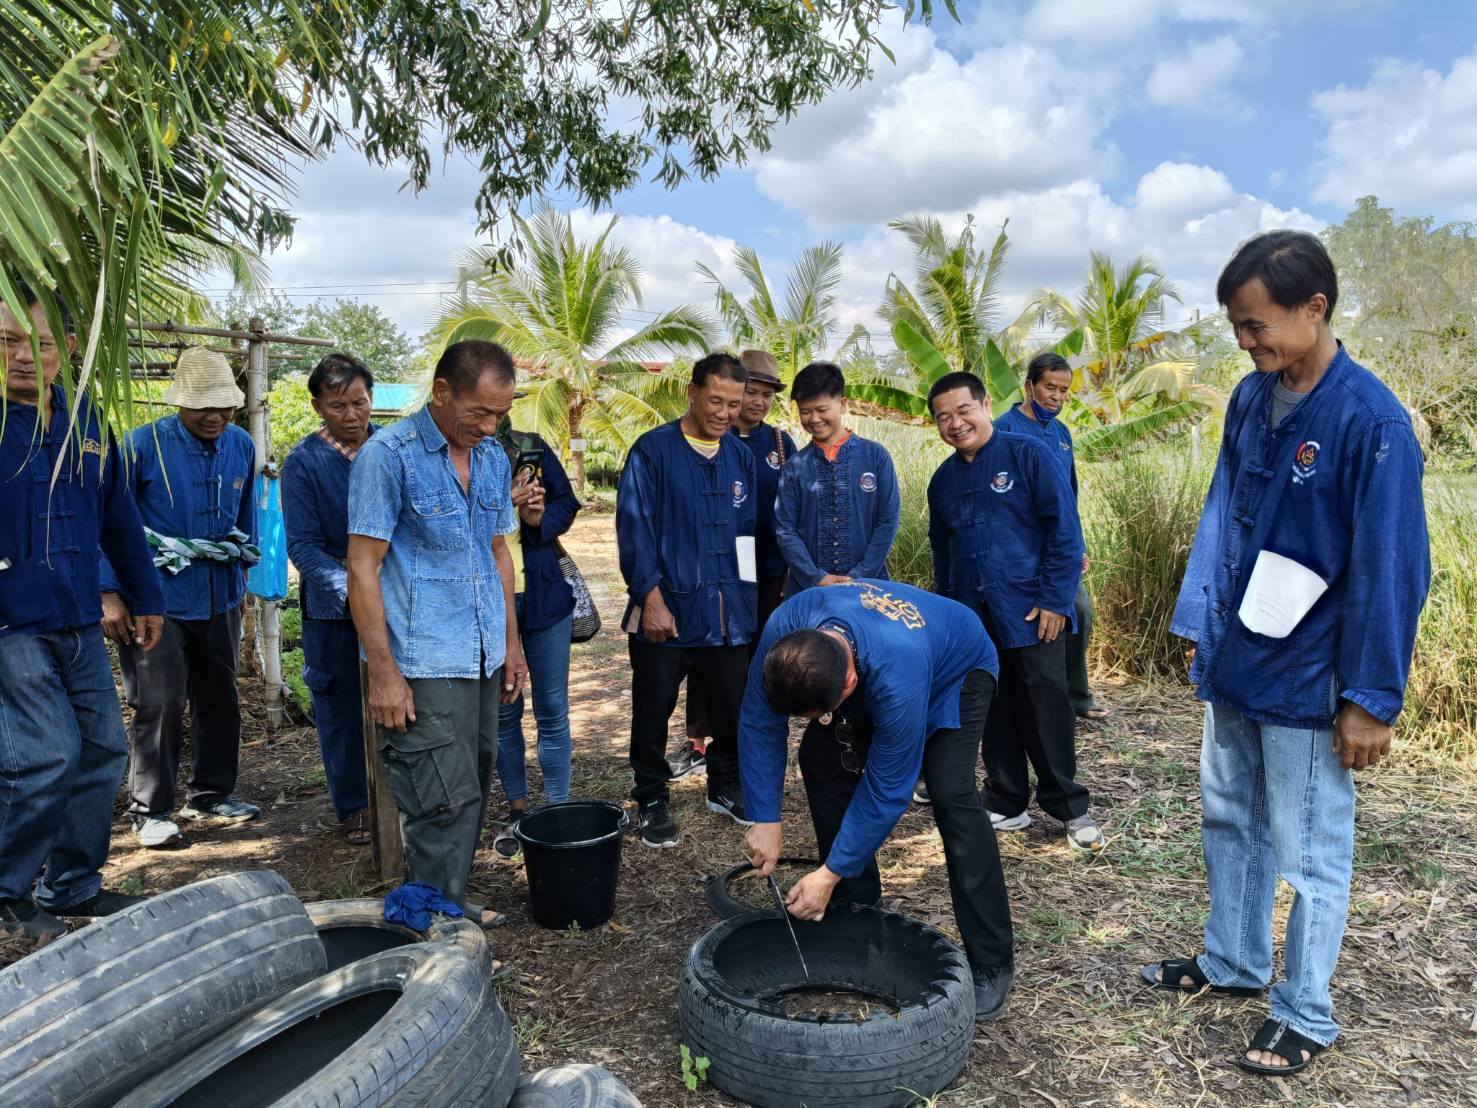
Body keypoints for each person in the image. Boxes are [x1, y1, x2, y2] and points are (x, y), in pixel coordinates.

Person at [1145, 231, 1430, 1077]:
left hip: (1308, 675)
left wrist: (1371, 697)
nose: (1246, 341)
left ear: (1315, 309)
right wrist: (1198, 624)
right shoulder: (1248, 398)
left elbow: (1392, 567)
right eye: (1237, 327)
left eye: (1257, 324)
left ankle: (1304, 1009)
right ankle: (1232, 962)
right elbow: (1220, 510)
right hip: (1237, 657)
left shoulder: (1369, 421)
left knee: (1307, 848)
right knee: (1229, 818)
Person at [740, 579, 1015, 1021]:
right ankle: (858, 902)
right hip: (886, 654)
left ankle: (991, 961)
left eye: (821, 712)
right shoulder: (785, 632)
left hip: (958, 666)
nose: (819, 719)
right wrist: (764, 816)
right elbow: (757, 721)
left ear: (849, 682)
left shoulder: (896, 680)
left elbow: (888, 790)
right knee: (820, 755)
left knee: (951, 792)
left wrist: (827, 872)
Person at [0, 290, 167, 947]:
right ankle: (7, 893)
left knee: (102, 749)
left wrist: (145, 596)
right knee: (45, 755)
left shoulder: (87, 420)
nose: (19, 357)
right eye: (4, 341)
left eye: (36, 344)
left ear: (68, 350)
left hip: (74, 616)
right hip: (10, 624)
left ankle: (72, 885)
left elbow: (119, 518)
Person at [347, 339, 527, 926]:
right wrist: (384, 673)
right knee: (437, 799)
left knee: (470, 788)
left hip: (480, 656)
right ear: (441, 392)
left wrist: (512, 645)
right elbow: (362, 567)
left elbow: (498, 553)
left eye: (500, 413)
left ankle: (446, 902)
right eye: (479, 411)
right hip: (421, 663)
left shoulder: (494, 458)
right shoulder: (389, 456)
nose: (490, 424)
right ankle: (427, 926)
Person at [926, 371, 1105, 851]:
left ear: (985, 405)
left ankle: (1070, 807)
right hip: (974, 616)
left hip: (1031, 610)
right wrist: (951, 616)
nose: (956, 423)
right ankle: (1007, 801)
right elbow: (942, 554)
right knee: (994, 707)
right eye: (944, 417)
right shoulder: (942, 481)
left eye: (963, 410)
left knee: (1045, 705)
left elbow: (1064, 532)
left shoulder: (1029, 456)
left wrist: (1055, 599)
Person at [102, 346, 261, 849]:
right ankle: (150, 810)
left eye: (224, 405)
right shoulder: (139, 447)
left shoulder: (240, 444)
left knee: (220, 696)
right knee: (159, 700)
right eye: (203, 406)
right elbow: (106, 523)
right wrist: (110, 592)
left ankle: (212, 793)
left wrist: (243, 577)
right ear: (179, 403)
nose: (215, 416)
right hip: (156, 599)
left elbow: (245, 520)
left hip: (219, 593)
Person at [616, 351, 757, 847]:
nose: (724, 412)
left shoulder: (742, 456)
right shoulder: (652, 451)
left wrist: (746, 602)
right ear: (692, 392)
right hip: (669, 612)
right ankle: (652, 796)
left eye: (734, 403)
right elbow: (635, 529)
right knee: (653, 708)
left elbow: (747, 537)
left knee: (732, 705)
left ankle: (724, 784)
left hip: (728, 614)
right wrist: (651, 598)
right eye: (715, 400)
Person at [679, 348, 797, 778]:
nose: (759, 402)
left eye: (768, 395)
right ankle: (698, 740)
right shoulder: (713, 439)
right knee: (709, 651)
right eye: (753, 391)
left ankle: (751, 734)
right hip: (716, 568)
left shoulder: (781, 443)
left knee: (756, 653)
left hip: (767, 566)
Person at [281, 352, 377, 844]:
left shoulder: (391, 450)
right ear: (318, 406)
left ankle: (394, 795)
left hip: (392, 598)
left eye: (360, 402)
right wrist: (351, 590)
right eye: (338, 406)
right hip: (332, 607)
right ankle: (354, 805)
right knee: (339, 708)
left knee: (396, 698)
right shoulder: (302, 464)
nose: (352, 415)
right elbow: (302, 546)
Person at [994, 352, 1109, 719]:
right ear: (1029, 386)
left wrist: (1079, 547)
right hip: (1019, 549)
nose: (1057, 397)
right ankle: (1026, 700)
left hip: (1059, 549)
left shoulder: (1061, 434)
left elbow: (1069, 496)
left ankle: (1077, 696)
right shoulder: (1003, 429)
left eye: (1063, 390)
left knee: (1080, 611)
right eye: (1050, 388)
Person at [490, 417, 579, 854]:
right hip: (487, 601)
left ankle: (559, 808)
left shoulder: (531, 446)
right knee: (505, 709)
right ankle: (518, 810)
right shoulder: (450, 455)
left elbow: (568, 503)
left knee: (553, 707)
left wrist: (538, 517)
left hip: (543, 595)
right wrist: (507, 503)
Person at [775, 362, 900, 598]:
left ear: (842, 404)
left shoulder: (875, 456)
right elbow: (785, 530)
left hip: (870, 588)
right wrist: (815, 577)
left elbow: (888, 520)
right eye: (805, 411)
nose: (814, 418)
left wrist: (859, 576)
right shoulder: (794, 467)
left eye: (822, 409)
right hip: (809, 590)